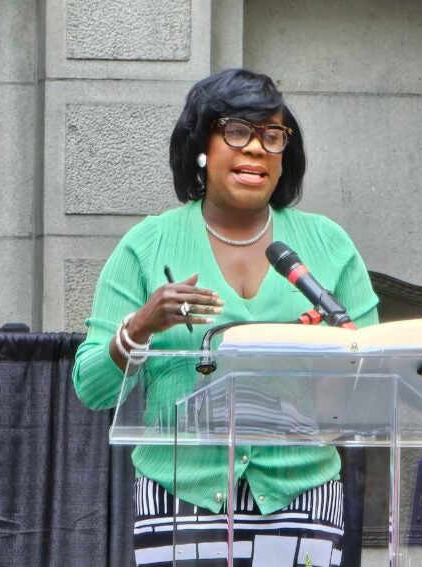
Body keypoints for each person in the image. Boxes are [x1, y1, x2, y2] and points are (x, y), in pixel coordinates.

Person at [73, 68, 378, 566]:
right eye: (236, 131)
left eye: (272, 136)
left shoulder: (328, 245)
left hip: (301, 492)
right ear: (201, 146)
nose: (256, 148)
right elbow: (91, 387)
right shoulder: (147, 245)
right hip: (181, 491)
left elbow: (370, 377)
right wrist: (141, 325)